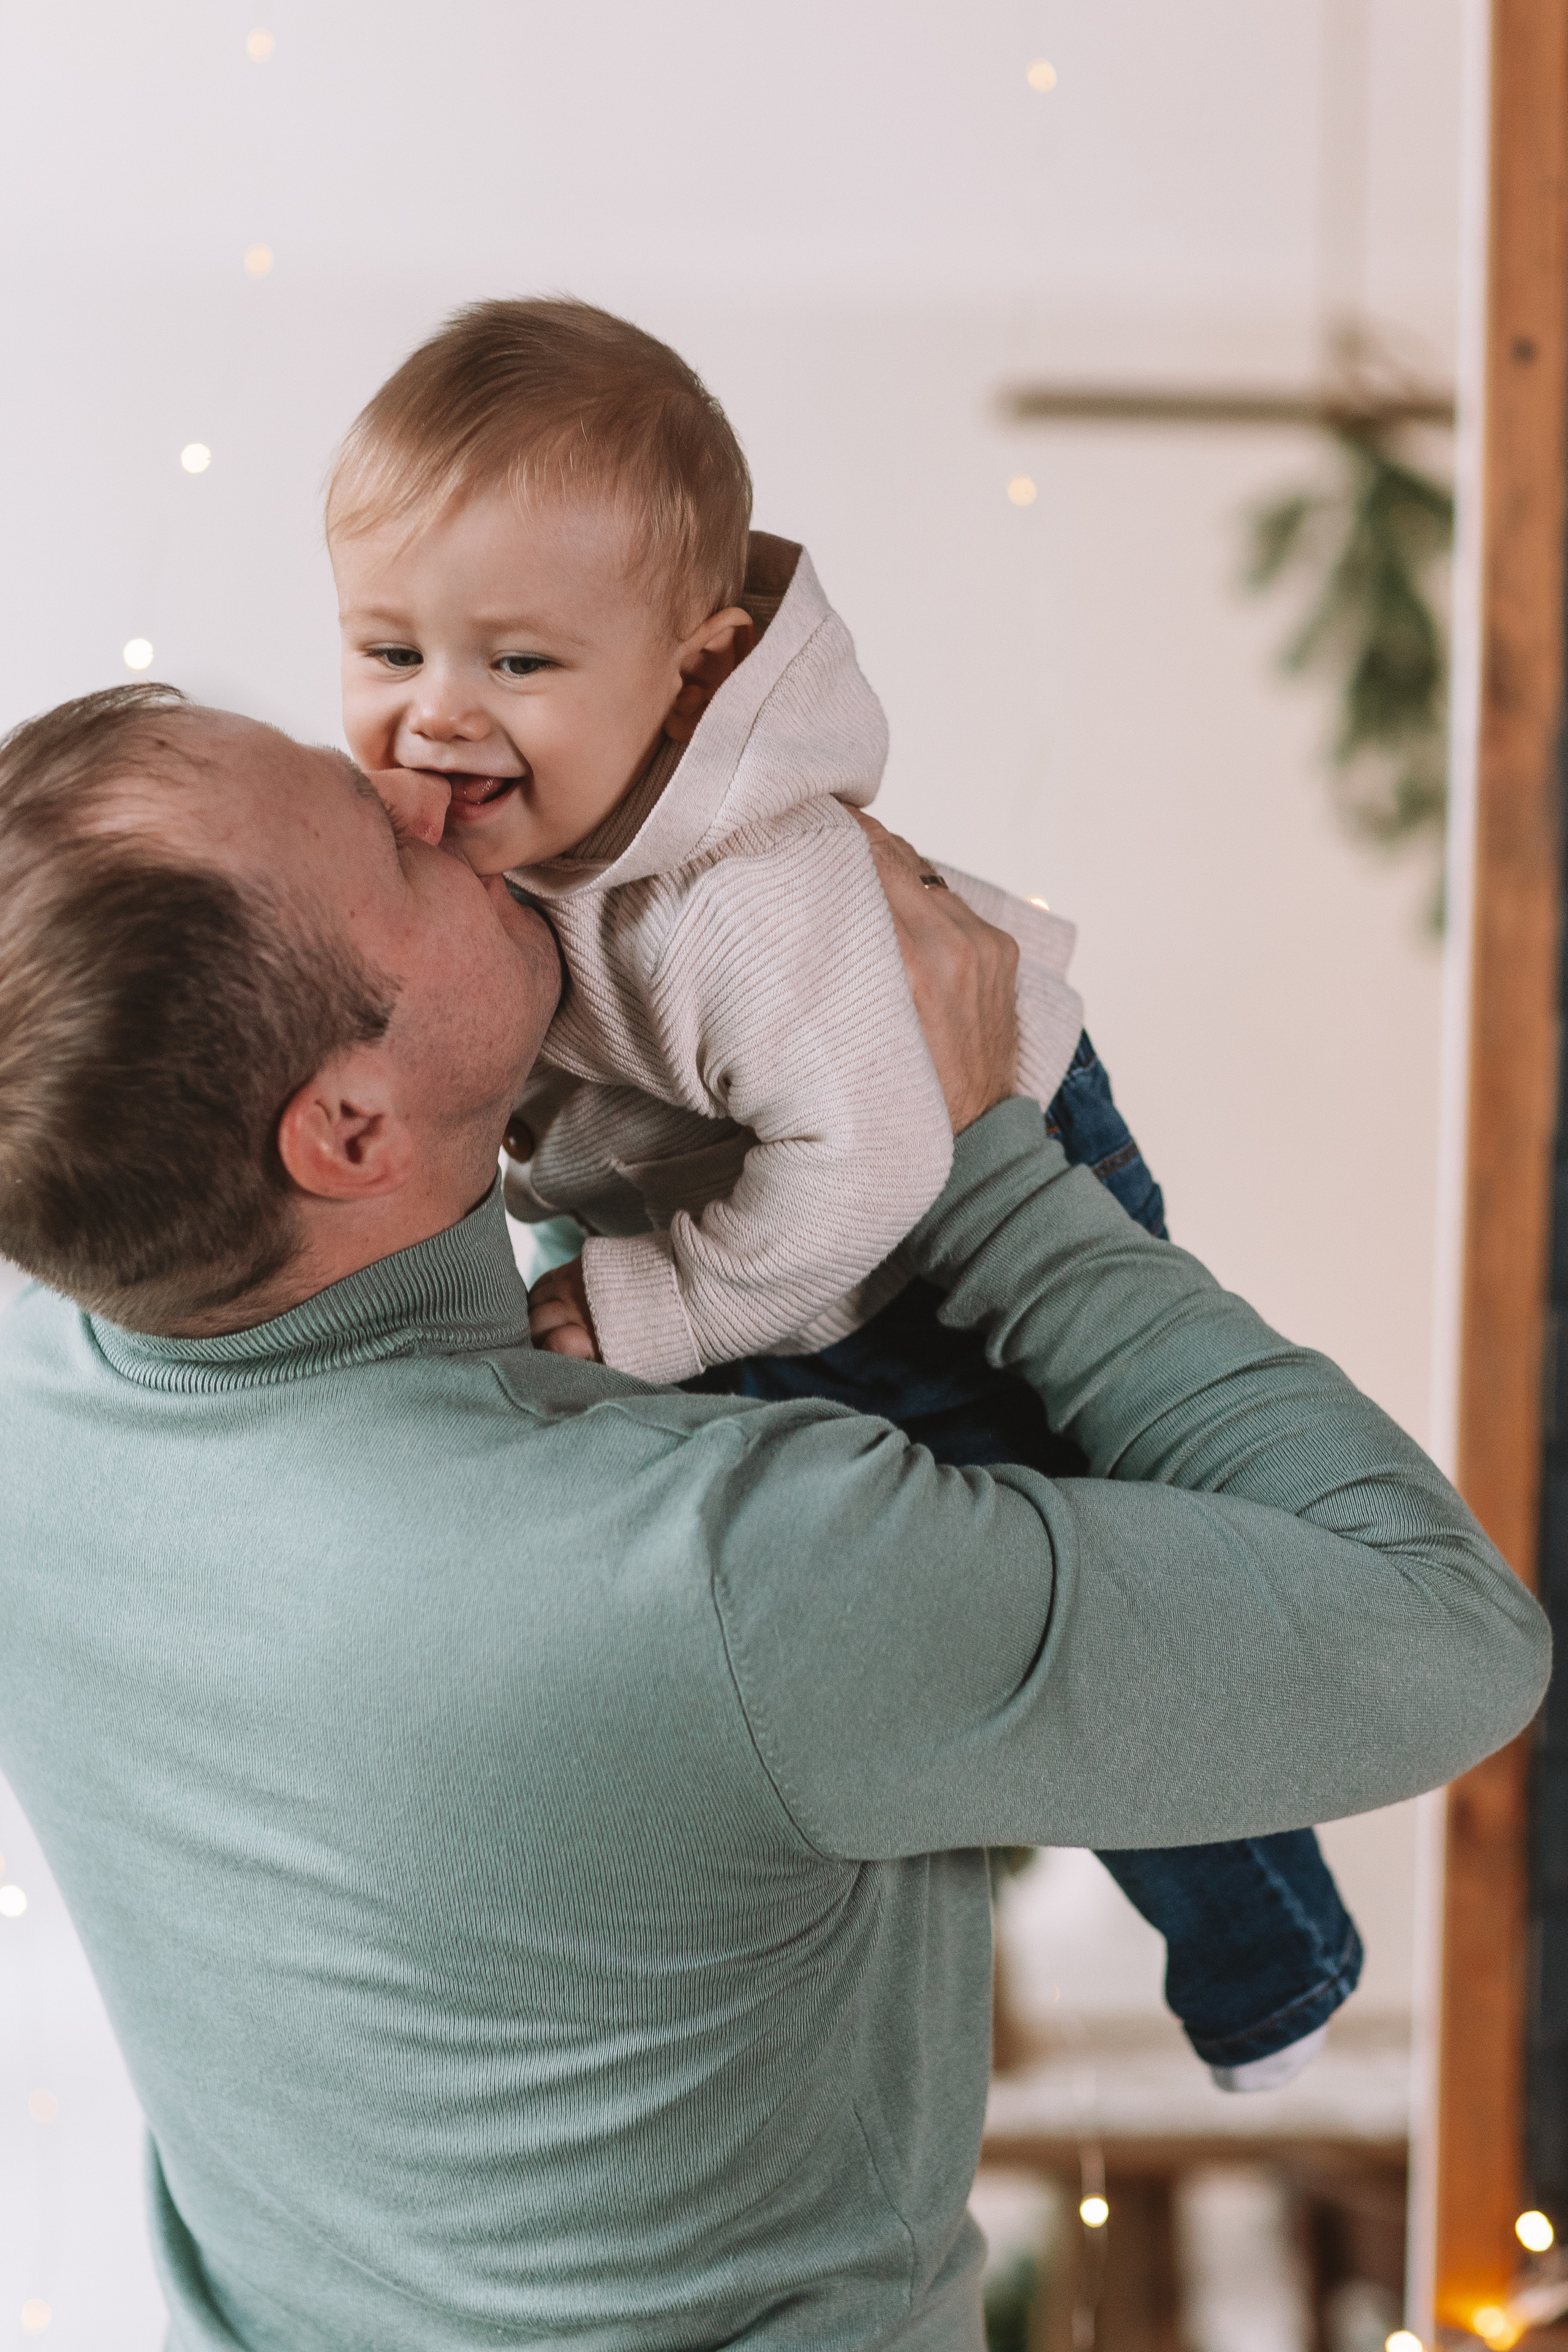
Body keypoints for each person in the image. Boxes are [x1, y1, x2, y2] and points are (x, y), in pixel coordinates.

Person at [0, 680, 1548, 2351]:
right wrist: (980, 1162)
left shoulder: (40, 1382)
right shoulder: (700, 1576)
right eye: (384, 847)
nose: (425, 781)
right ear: (348, 1129)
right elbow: (1448, 1636)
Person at [328, 296, 1358, 2094]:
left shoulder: (753, 892)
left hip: (939, 1210)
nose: (436, 713)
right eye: (387, 647)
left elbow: (879, 1162)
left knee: (1087, 1601)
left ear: (694, 668)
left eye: (519, 662)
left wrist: (652, 1306)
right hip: (738, 1219)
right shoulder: (494, 826)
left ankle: (1278, 1971)